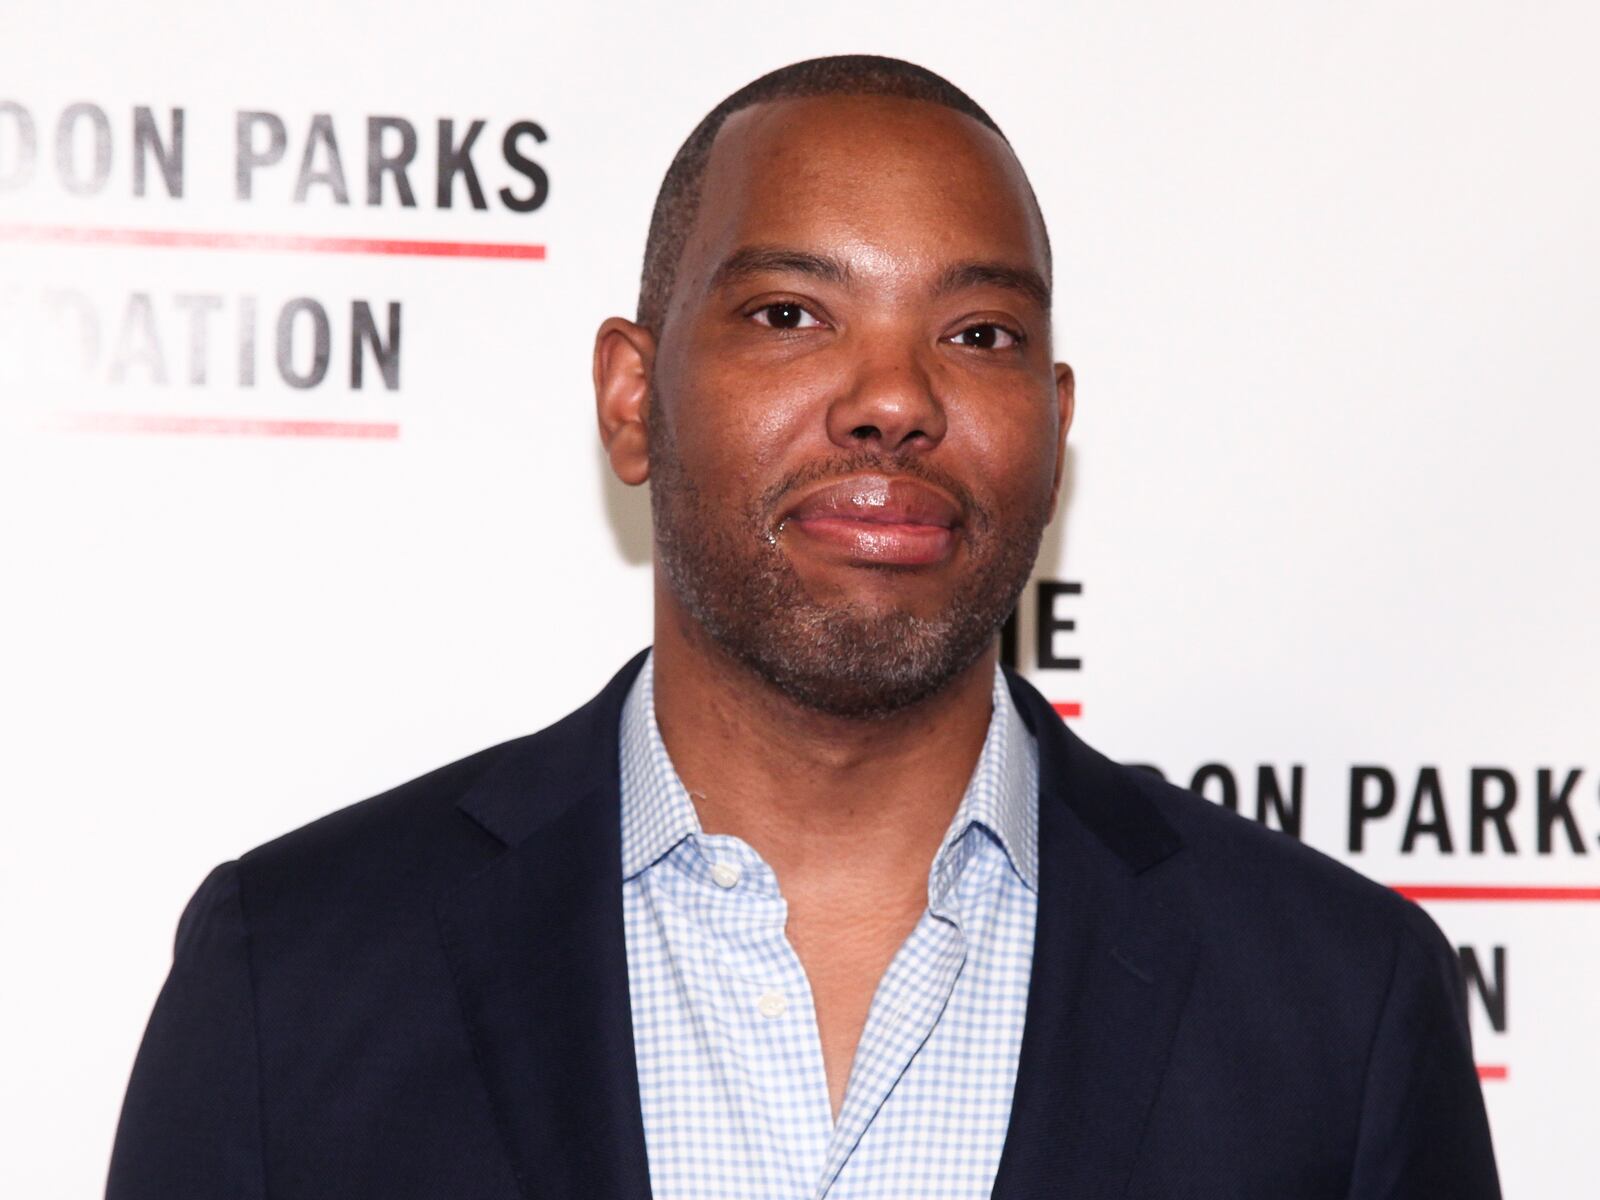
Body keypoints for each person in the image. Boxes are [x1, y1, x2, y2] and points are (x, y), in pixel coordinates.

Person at [106, 55, 1501, 1200]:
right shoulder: (291, 978)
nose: (892, 399)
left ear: (1056, 428)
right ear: (629, 399)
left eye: (978, 335)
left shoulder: (1337, 1009)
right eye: (792, 313)